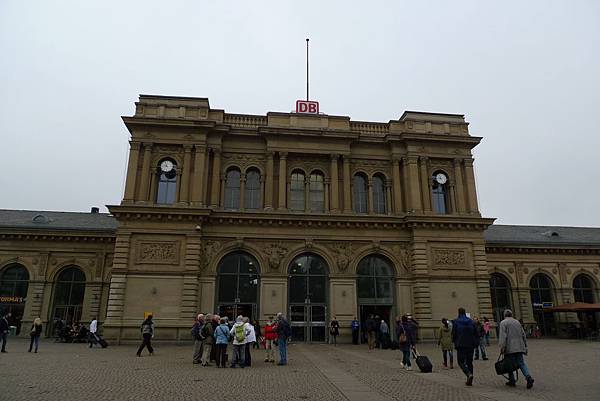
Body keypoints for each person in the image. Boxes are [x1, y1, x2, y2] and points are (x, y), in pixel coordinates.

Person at [498, 309, 534, 389]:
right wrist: (525, 346)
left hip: (509, 347)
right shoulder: (517, 322)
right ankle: (528, 377)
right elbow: (523, 334)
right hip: (519, 346)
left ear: (504, 315)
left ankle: (512, 380)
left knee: (509, 364)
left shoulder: (503, 323)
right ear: (511, 314)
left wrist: (502, 347)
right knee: (521, 363)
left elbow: (503, 336)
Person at [452, 308, 478, 386]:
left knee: (461, 362)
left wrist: (454, 341)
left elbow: (454, 333)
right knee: (470, 362)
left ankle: (468, 374)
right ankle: (470, 378)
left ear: (459, 313)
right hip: (471, 344)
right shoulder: (471, 321)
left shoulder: (456, 321)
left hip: (461, 345)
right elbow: (476, 333)